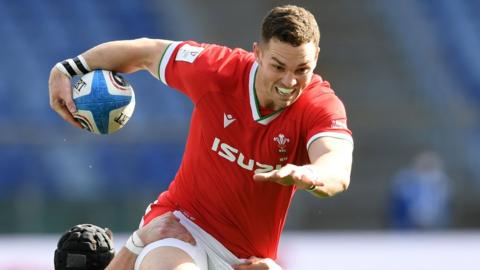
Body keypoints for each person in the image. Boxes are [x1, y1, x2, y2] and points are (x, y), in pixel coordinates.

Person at [49, 5, 353, 270]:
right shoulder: (217, 70)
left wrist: (310, 174)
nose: (289, 81)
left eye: (302, 69)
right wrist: (68, 68)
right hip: (179, 225)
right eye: (278, 67)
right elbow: (145, 52)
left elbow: (337, 167)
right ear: (258, 53)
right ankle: (144, 242)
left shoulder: (320, 104)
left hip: (247, 260)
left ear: (316, 59)